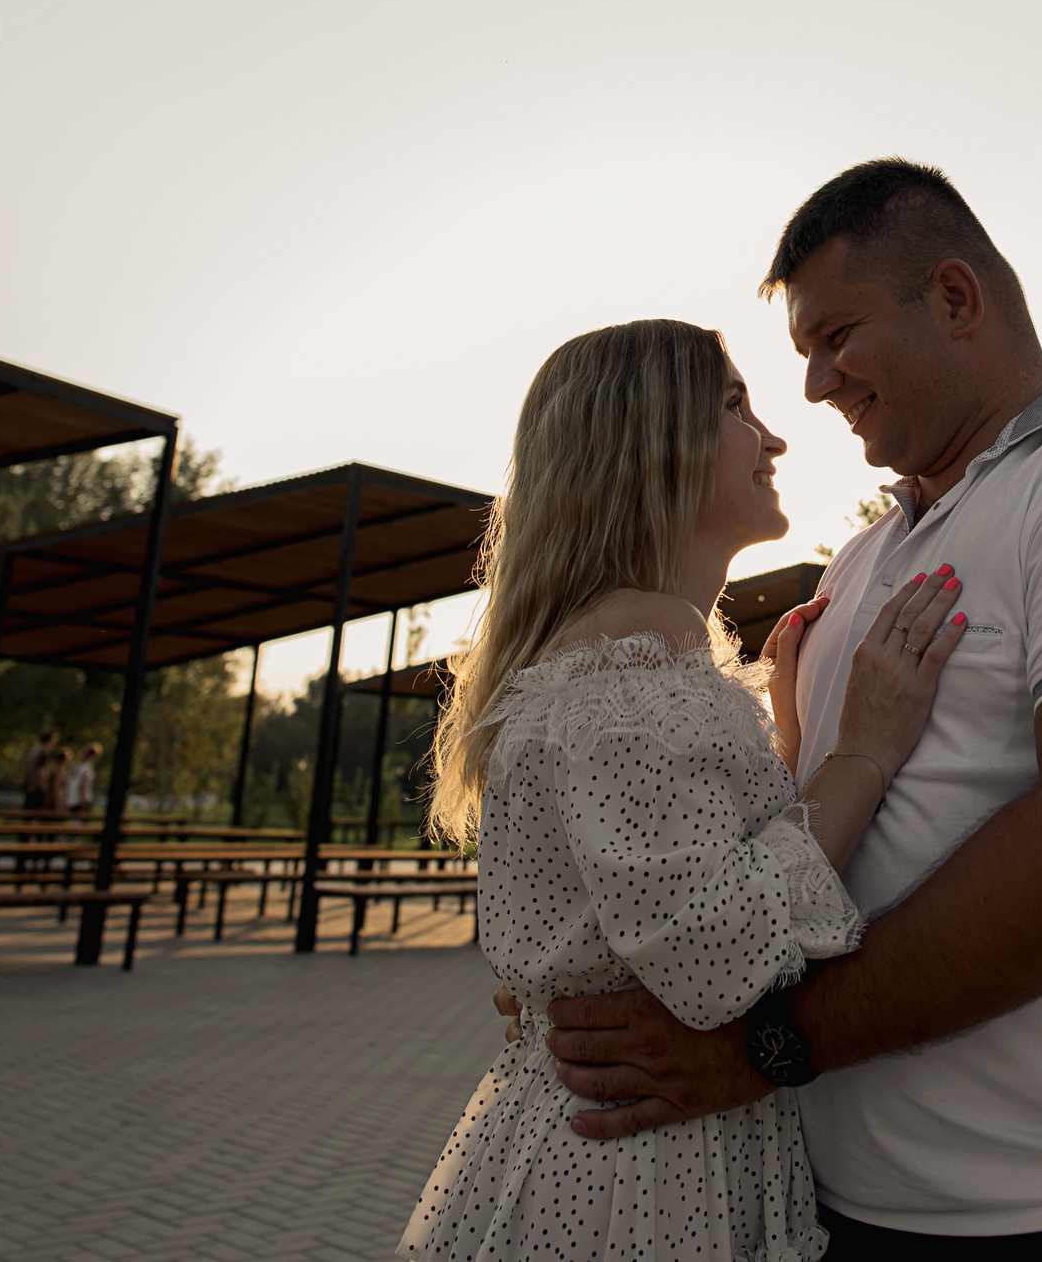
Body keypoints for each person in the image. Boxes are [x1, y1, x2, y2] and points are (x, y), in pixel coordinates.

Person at [538, 160, 1042, 1259]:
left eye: (836, 335)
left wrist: (765, 1048)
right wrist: (577, 968)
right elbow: (768, 854)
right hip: (838, 1206)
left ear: (956, 298)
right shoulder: (861, 556)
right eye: (797, 357)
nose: (815, 386)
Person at [401, 319, 968, 1261]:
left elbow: (663, 894)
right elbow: (715, 957)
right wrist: (861, 752)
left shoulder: (638, 664)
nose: (776, 436)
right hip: (639, 1179)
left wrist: (785, 742)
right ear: (648, 440)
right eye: (737, 405)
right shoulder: (629, 675)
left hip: (634, 1150)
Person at [24, 730, 58, 812]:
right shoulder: (43, 754)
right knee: (43, 816)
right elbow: (41, 772)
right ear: (49, 741)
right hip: (38, 790)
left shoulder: (34, 753)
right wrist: (45, 789)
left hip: (30, 788)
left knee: (29, 815)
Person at [61, 743, 99, 815]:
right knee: (80, 823)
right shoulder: (86, 768)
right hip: (81, 801)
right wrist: (84, 802)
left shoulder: (75, 765)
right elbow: (83, 785)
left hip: (71, 800)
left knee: (74, 823)